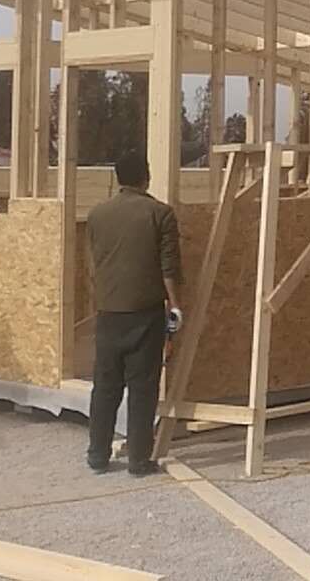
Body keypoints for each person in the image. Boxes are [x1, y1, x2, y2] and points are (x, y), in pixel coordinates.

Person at [84, 150, 182, 476]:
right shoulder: (160, 213)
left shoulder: (97, 215)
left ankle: (97, 455)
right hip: (144, 313)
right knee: (142, 388)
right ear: (146, 176)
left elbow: (93, 266)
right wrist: (176, 307)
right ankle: (139, 460)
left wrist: (100, 301)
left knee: (105, 386)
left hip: (108, 313)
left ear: (118, 178)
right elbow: (169, 267)